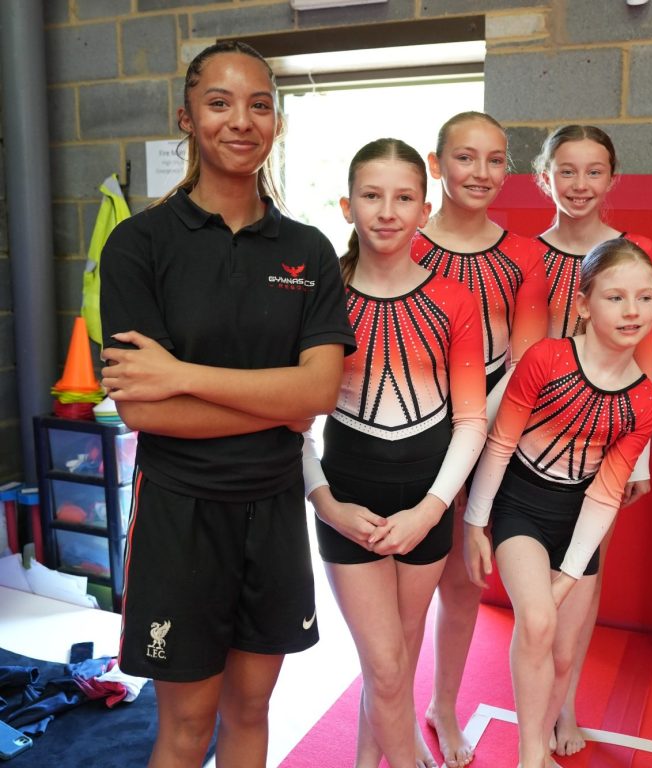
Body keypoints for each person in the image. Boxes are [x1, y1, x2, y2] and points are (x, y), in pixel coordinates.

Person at [99, 40, 355, 768]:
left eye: (259, 105)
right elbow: (146, 411)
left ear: (276, 121)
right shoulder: (139, 245)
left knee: (250, 710)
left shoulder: (307, 249)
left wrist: (181, 373)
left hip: (273, 512)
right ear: (187, 117)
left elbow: (319, 392)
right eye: (219, 103)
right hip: (179, 516)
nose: (241, 121)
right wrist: (280, 404)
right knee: (187, 728)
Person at [303, 138, 487, 768]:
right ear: (346, 206)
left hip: (424, 507)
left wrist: (431, 511)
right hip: (346, 504)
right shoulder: (321, 297)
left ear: (424, 209)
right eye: (371, 196)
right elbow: (293, 421)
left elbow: (471, 422)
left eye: (404, 197)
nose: (387, 211)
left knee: (398, 662)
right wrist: (326, 505)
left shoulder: (454, 300)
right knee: (384, 665)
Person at [464, 238, 652, 768]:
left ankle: (541, 741)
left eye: (645, 298)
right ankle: (531, 756)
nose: (632, 311)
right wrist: (474, 524)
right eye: (616, 297)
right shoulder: (547, 359)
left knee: (564, 652)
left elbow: (605, 495)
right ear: (583, 304)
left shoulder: (645, 400)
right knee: (536, 620)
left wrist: (570, 575)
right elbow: (500, 445)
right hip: (521, 506)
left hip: (579, 520)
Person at [411, 111, 548, 768]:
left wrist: (472, 428)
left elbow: (526, 361)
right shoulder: (407, 244)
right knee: (407, 588)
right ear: (436, 164)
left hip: (490, 429)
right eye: (466, 158)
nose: (482, 172)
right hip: (412, 426)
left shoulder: (523, 255)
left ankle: (443, 705)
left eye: (496, 159)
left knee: (464, 583)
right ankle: (395, 710)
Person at [530, 124, 652, 756]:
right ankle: (536, 702)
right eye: (567, 170)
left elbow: (645, 353)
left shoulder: (635, 249)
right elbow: (523, 350)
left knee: (583, 574)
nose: (580, 184)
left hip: (608, 440)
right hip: (535, 440)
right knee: (537, 581)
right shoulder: (528, 254)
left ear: (613, 178)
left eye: (594, 171)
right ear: (545, 176)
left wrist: (642, 457)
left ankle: (566, 704)